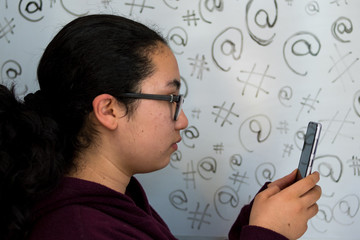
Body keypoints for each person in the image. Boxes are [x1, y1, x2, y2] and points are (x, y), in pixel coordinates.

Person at [0, 14, 321, 240]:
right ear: (109, 110)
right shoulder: (79, 229)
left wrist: (255, 227)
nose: (182, 120)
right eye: (170, 98)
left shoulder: (118, 201)